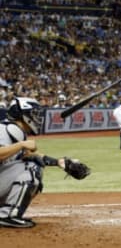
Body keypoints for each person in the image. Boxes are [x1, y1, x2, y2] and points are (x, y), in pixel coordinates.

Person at [0, 98, 80, 228]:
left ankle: (8, 212)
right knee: (32, 168)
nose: (37, 118)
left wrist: (59, 162)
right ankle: (7, 215)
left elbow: (31, 155)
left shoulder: (14, 132)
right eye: (34, 113)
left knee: (32, 164)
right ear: (22, 114)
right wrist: (21, 145)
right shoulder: (3, 129)